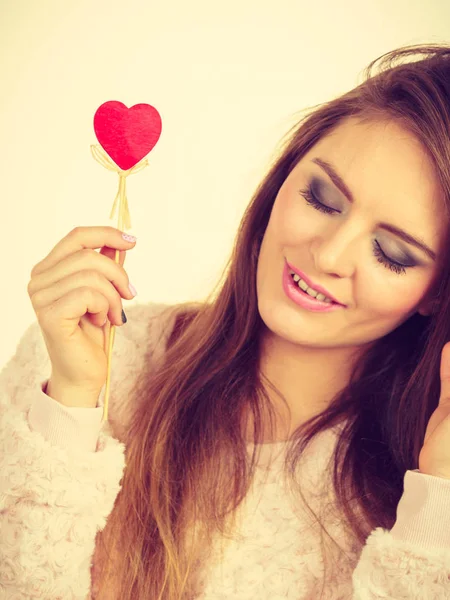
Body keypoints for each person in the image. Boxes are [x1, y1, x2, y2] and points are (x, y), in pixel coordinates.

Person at [1, 42, 450, 600]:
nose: (329, 256)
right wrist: (69, 402)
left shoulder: (423, 485)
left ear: (436, 294)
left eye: (393, 253)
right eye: (323, 197)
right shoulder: (89, 356)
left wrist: (439, 501)